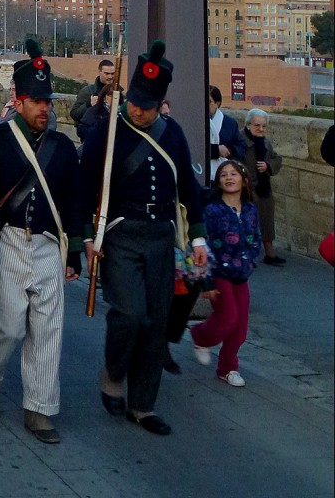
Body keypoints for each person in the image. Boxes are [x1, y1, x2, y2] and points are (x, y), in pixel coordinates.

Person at [78, 40, 207, 436]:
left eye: (147, 106)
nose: (138, 110)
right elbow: (85, 188)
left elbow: (188, 185)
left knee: (155, 322)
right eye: (135, 102)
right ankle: (114, 372)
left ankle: (143, 404)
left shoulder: (173, 135)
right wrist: (86, 236)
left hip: (160, 236)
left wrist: (198, 238)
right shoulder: (106, 132)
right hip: (120, 234)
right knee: (129, 313)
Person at [0, 45, 83, 444]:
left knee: (48, 329)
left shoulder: (64, 149)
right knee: (11, 325)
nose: (43, 109)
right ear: (18, 101)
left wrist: (77, 253)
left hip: (50, 246)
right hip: (11, 241)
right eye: (36, 101)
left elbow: (73, 200)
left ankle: (40, 407)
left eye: (47, 101)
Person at [190, 160, 261, 386]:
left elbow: (256, 239)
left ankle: (228, 367)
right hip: (219, 272)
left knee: (240, 327)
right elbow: (203, 245)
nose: (229, 178)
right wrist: (206, 279)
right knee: (228, 317)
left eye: (233, 174)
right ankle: (200, 336)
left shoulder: (250, 209)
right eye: (223, 175)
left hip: (242, 273)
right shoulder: (212, 211)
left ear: (244, 180)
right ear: (218, 182)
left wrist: (250, 261)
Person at [242, 108, 284, 265]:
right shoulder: (241, 140)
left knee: (266, 221)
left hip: (263, 188)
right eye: (257, 125)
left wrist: (268, 165)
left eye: (264, 126)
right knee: (247, 224)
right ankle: (247, 255)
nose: (261, 129)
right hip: (247, 189)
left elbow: (277, 159)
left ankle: (269, 253)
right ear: (248, 125)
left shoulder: (265, 142)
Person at [69, 59, 117, 135]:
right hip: (91, 135)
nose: (110, 76)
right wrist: (89, 104)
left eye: (112, 74)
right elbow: (74, 114)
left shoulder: (117, 92)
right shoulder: (88, 91)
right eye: (106, 74)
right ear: (100, 72)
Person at [209, 85, 246, 179]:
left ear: (217, 103)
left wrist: (230, 150)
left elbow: (241, 145)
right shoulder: (193, 121)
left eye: (209, 102)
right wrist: (215, 150)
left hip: (223, 172)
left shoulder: (229, 123)